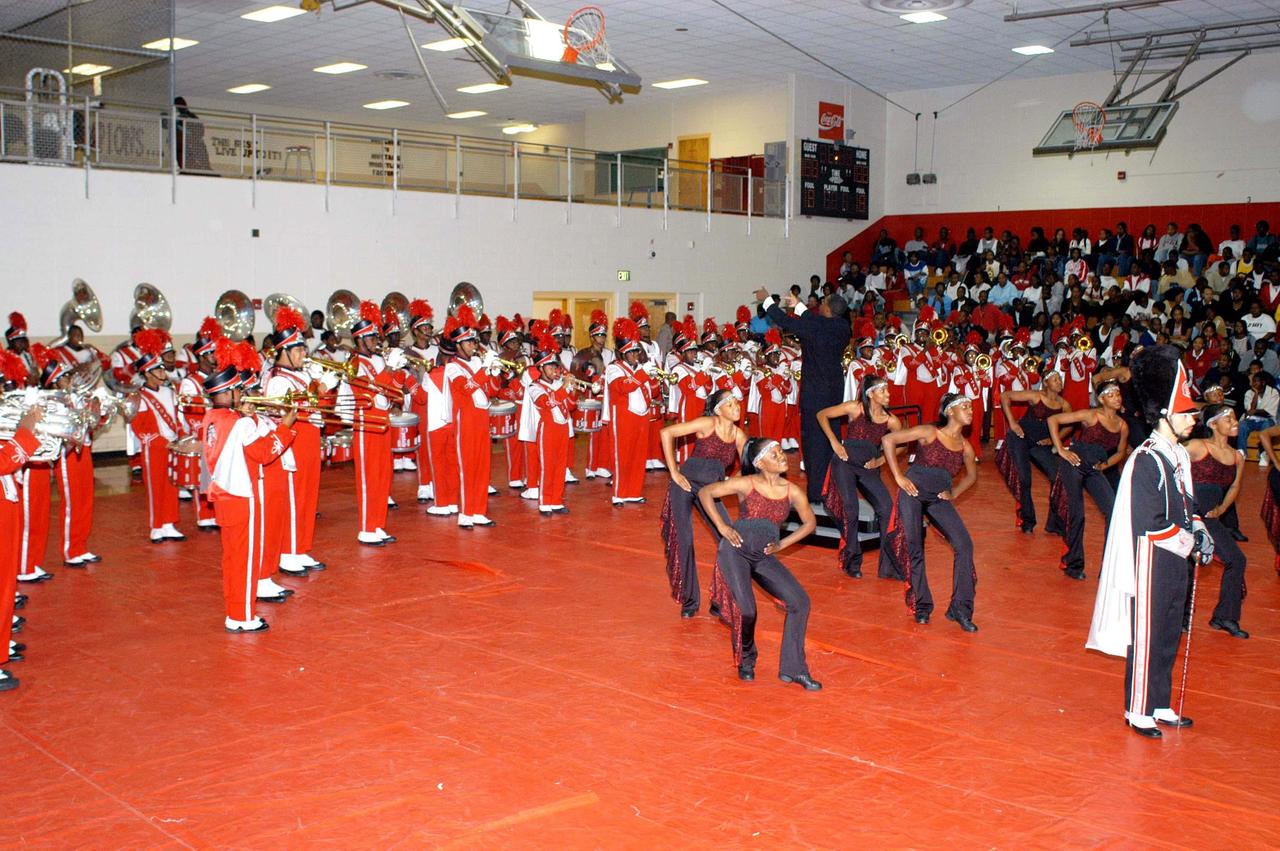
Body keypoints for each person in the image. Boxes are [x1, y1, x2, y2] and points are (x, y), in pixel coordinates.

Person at [1087, 345, 1207, 738]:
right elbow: (1149, 524)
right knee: (1148, 635)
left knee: (1170, 632)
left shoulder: (1180, 456)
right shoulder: (1146, 459)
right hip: (1151, 561)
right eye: (1187, 414)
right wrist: (1189, 542)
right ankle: (1138, 709)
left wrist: (1200, 529)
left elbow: (1187, 504)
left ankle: (1159, 702)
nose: (1193, 420)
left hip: (1176, 558)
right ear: (1166, 414)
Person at [700, 438, 819, 689]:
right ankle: (746, 660)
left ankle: (794, 669)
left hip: (764, 556)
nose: (782, 456)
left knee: (800, 602)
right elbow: (705, 492)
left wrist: (782, 545)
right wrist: (722, 527)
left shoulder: (792, 491)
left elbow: (810, 523)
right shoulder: (747, 483)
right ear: (759, 463)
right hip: (735, 552)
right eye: (774, 455)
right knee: (747, 610)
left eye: (781, 452)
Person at [200, 341, 296, 633]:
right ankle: (243, 617)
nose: (243, 394)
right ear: (227, 393)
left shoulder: (211, 418)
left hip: (223, 495)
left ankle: (235, 611)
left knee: (232, 557)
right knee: (245, 557)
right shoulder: (239, 423)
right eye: (238, 390)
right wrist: (286, 426)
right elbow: (264, 453)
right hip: (243, 495)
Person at [882, 394, 980, 631]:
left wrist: (954, 492)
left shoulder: (965, 447)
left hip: (938, 498)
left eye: (971, 407)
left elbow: (972, 475)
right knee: (914, 547)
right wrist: (898, 476)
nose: (970, 410)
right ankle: (922, 606)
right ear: (950, 411)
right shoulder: (929, 432)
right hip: (913, 492)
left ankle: (960, 609)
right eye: (964, 406)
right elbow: (888, 439)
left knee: (964, 545)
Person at [753, 286, 852, 502]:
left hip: (815, 394)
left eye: (823, 303)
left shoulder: (816, 327)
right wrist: (797, 305)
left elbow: (785, 321)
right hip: (834, 391)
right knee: (832, 439)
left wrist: (767, 300)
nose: (820, 305)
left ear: (827, 309)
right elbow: (813, 321)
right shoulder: (843, 327)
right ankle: (833, 489)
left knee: (814, 445)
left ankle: (817, 494)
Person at [659, 389, 746, 618]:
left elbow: (749, 466)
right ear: (718, 409)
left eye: (737, 402)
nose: (736, 406)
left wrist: (728, 484)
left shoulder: (738, 435)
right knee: (684, 541)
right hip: (685, 485)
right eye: (730, 403)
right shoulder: (708, 423)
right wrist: (674, 472)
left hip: (710, 491)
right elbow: (667, 432)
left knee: (729, 541)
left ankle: (719, 599)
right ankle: (690, 601)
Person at [263, 306, 331, 575]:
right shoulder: (277, 380)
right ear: (285, 351)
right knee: (294, 498)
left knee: (308, 497)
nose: (305, 354)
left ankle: (301, 547)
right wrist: (319, 388)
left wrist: (323, 384)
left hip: (310, 439)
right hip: (294, 442)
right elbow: (290, 412)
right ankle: (287, 552)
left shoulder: (301, 374)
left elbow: (322, 407)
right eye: (300, 350)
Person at [817, 375, 904, 580]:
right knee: (851, 510)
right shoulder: (854, 408)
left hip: (868, 467)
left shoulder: (891, 420)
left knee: (887, 508)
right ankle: (852, 561)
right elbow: (822, 415)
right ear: (870, 394)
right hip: (845, 462)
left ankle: (888, 567)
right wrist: (834, 442)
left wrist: (880, 461)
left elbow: (902, 445)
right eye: (883, 391)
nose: (888, 394)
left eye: (887, 390)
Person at [1047, 381, 1129, 580]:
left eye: (1118, 394)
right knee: (1077, 514)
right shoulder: (1091, 415)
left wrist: (1105, 465)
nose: (1116, 398)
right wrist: (1062, 450)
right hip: (1074, 463)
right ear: (1101, 399)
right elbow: (1053, 420)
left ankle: (1108, 567)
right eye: (1111, 395)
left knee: (1113, 511)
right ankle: (1073, 564)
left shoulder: (1122, 425)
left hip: (1094, 469)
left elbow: (1121, 452)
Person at [340, 301, 404, 543]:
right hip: (366, 423)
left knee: (383, 475)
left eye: (376, 336)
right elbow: (366, 392)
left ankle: (378, 524)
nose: (376, 341)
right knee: (369, 477)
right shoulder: (354, 363)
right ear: (359, 339)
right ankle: (367, 528)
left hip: (383, 421)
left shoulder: (378, 360)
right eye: (371, 337)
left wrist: (397, 373)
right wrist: (389, 369)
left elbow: (391, 390)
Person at [1186, 405, 1248, 639]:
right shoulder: (1197, 446)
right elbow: (1170, 461)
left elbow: (1234, 487)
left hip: (1209, 518)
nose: (1234, 422)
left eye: (1235, 418)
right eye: (1228, 418)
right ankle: (1181, 617)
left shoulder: (1237, 456)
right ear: (1213, 424)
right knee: (1185, 564)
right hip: (1187, 515)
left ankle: (1225, 616)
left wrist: (1221, 509)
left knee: (1236, 559)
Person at [443, 306, 502, 528]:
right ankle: (466, 513)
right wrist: (485, 370)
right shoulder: (452, 367)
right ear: (458, 344)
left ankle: (479, 511)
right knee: (467, 467)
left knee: (483, 466)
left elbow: (492, 390)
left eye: (473, 342)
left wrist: (494, 373)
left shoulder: (478, 362)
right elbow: (465, 388)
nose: (473, 346)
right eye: (469, 342)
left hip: (482, 419)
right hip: (465, 421)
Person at [995, 369, 1070, 533]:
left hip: (1041, 444)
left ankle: (1054, 524)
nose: (1059, 382)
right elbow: (1005, 396)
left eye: (1060, 379)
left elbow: (1070, 424)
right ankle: (1027, 520)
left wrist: (1054, 439)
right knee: (1024, 479)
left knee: (1058, 476)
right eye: (1055, 379)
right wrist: (1012, 423)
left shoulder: (1064, 405)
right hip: (1021, 437)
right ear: (1046, 383)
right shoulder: (1036, 396)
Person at [130, 330, 185, 543]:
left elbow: (176, 418)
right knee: (155, 486)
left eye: (162, 368)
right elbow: (140, 428)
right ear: (147, 374)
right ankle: (156, 526)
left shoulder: (169, 392)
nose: (163, 372)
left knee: (171, 484)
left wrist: (180, 437)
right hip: (154, 448)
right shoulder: (140, 397)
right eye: (158, 370)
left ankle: (169, 523)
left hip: (172, 444)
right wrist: (163, 442)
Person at [519, 332, 575, 515]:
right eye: (550, 367)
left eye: (555, 366)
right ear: (541, 368)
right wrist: (564, 388)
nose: (554, 370)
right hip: (547, 429)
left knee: (560, 465)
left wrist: (571, 389)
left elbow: (571, 405)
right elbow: (546, 403)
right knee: (548, 466)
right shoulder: (534, 387)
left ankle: (556, 500)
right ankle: (545, 501)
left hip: (562, 427)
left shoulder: (558, 384)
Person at [605, 318, 652, 506]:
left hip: (642, 416)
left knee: (639, 456)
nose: (635, 355)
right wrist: (644, 373)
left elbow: (650, 391)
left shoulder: (640, 368)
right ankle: (619, 493)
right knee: (622, 455)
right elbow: (623, 387)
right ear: (623, 353)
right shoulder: (613, 368)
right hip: (623, 417)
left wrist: (656, 379)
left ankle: (634, 491)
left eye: (636, 351)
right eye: (631, 352)